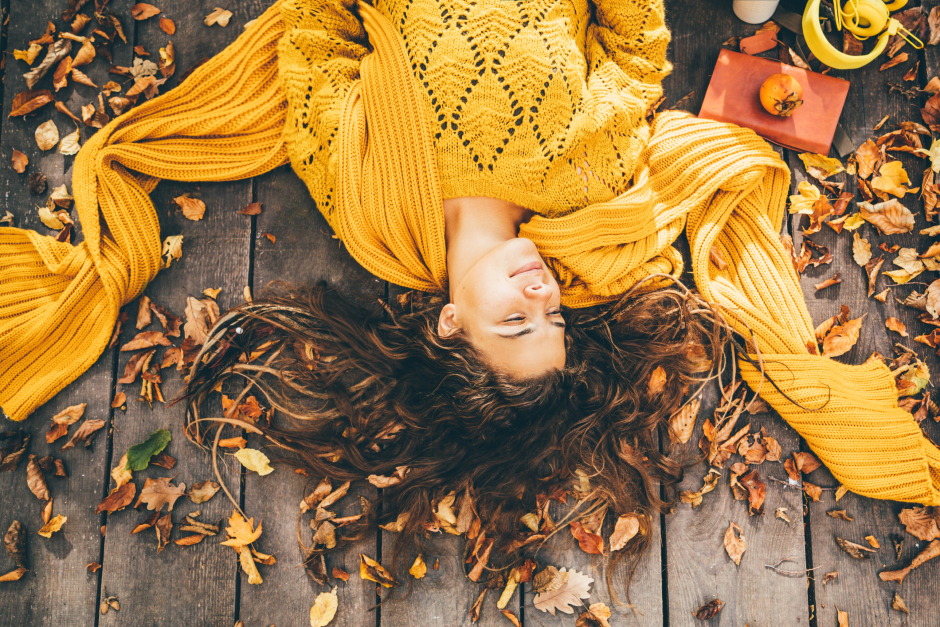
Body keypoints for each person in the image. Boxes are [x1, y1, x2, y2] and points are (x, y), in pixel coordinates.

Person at [3, 0, 939, 603]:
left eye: (513, 320)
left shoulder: (367, 207)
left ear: (451, 322)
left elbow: (317, 47)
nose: (540, 293)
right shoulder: (589, 177)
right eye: (554, 317)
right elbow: (634, 46)